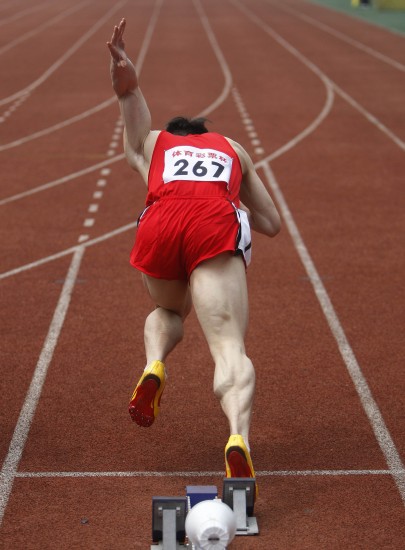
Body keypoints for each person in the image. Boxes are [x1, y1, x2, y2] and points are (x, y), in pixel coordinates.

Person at [107, 18, 281, 485]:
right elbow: (271, 224)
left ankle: (155, 363)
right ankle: (237, 437)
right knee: (228, 346)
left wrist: (127, 86)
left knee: (168, 309)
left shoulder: (154, 144)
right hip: (212, 227)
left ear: (175, 134)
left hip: (160, 225)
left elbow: (133, 119)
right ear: (205, 135)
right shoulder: (232, 148)